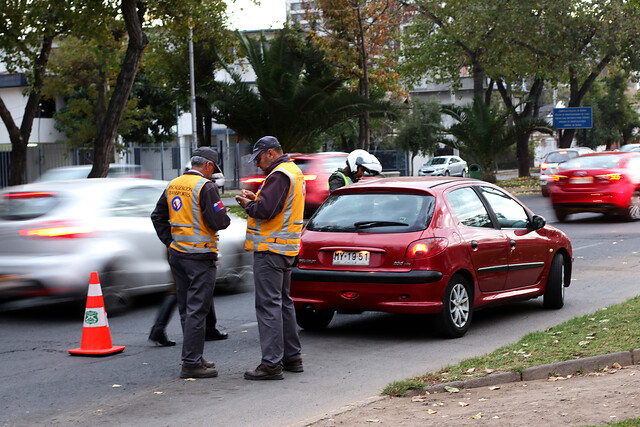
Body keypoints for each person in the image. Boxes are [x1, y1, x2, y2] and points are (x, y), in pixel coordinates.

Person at [151, 146, 230, 379]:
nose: (212, 173)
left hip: (178, 256)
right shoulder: (206, 187)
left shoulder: (173, 184)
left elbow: (157, 216)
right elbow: (219, 221)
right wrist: (224, 213)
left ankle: (194, 356)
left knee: (187, 309)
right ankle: (191, 362)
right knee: (198, 310)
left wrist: (170, 242)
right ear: (207, 165)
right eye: (213, 169)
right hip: (200, 256)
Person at [235, 136, 305, 380]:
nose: (257, 164)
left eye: (259, 158)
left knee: (268, 306)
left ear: (271, 153)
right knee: (283, 303)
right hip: (286, 249)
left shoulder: (278, 175)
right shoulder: (293, 171)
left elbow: (266, 211)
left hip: (270, 249)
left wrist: (248, 204)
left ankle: (271, 364)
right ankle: (292, 357)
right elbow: (279, 208)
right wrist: (256, 199)